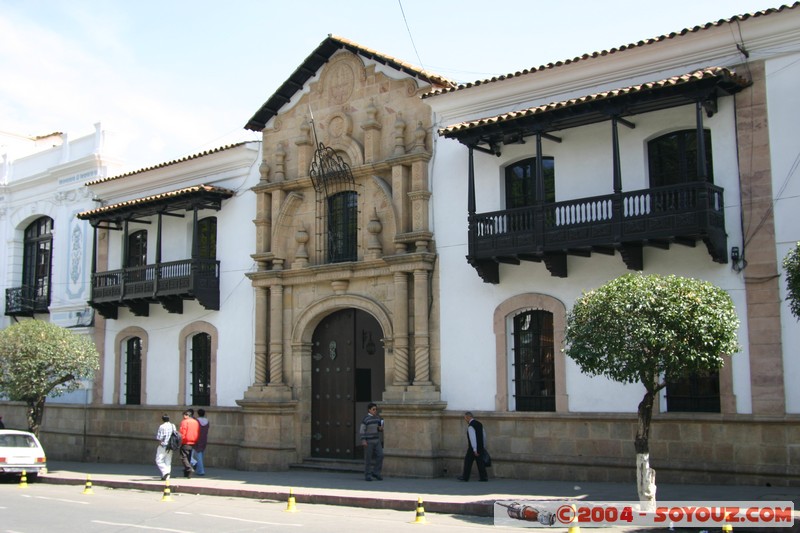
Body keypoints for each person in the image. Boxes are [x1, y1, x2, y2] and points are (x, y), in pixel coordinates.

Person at [458, 411, 488, 482]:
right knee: (480, 462)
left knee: (468, 462)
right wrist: (483, 446)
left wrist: (474, 449)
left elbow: (472, 438)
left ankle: (465, 477)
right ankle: (484, 477)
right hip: (480, 447)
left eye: (465, 418)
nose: (465, 419)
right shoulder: (479, 424)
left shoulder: (471, 426)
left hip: (473, 448)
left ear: (468, 417)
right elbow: (484, 436)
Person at [359, 402, 384, 481]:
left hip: (376, 440)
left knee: (380, 455)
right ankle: (368, 475)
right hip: (368, 441)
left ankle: (376, 472)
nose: (375, 411)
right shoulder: (366, 419)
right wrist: (363, 440)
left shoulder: (377, 418)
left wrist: (380, 428)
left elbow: (379, 428)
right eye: (373, 409)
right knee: (368, 458)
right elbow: (362, 430)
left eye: (376, 409)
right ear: (369, 410)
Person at [179, 409, 200, 478]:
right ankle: (187, 473)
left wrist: (181, 440)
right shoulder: (196, 422)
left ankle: (189, 468)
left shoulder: (185, 422)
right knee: (188, 457)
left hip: (186, 441)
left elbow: (183, 432)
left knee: (183, 457)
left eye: (184, 415)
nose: (183, 417)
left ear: (186, 415)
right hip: (193, 441)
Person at [155, 414, 175, 480]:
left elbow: (159, 437)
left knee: (158, 460)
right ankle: (167, 476)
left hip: (163, 445)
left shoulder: (162, 426)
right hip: (171, 445)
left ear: (162, 420)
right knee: (168, 460)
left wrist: (160, 443)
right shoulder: (173, 425)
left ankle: (165, 472)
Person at [192, 408, 210, 476]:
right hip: (204, 439)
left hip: (198, 439)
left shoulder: (197, 421)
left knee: (198, 455)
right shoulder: (207, 421)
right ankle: (199, 469)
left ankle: (201, 470)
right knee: (201, 454)